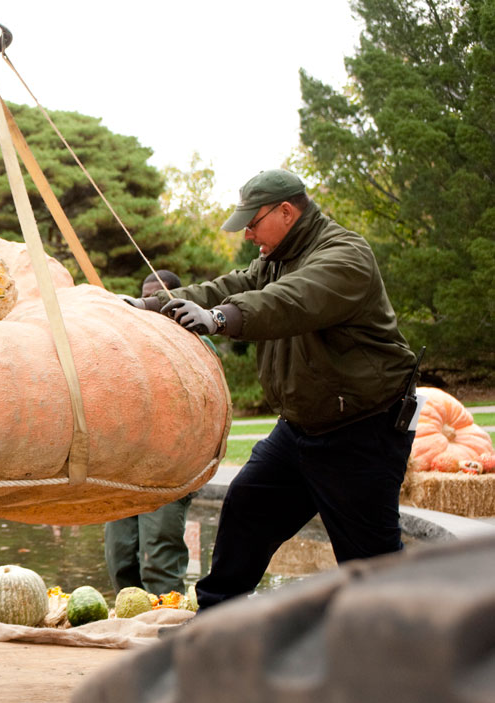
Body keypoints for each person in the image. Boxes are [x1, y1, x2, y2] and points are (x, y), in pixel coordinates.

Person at [123, 169, 417, 611]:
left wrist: (220, 319)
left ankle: (410, 653)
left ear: (286, 211)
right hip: (300, 429)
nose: (247, 234)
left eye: (252, 223)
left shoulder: (345, 256)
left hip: (360, 434)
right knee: (245, 510)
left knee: (371, 566)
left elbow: (290, 301)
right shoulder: (278, 256)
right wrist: (149, 307)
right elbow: (232, 285)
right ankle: (215, 619)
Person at [105, 271, 201, 596]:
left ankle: (169, 629)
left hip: (169, 466)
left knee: (158, 560)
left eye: (156, 299)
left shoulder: (195, 343)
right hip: (126, 466)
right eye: (144, 298)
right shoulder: (128, 348)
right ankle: (132, 629)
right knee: (119, 557)